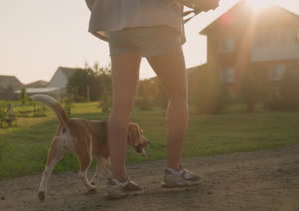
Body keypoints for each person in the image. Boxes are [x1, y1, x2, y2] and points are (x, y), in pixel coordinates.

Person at [85, 0, 220, 199]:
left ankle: (118, 180)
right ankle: (174, 171)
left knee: (120, 105)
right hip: (156, 21)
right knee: (178, 95)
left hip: (118, 26)